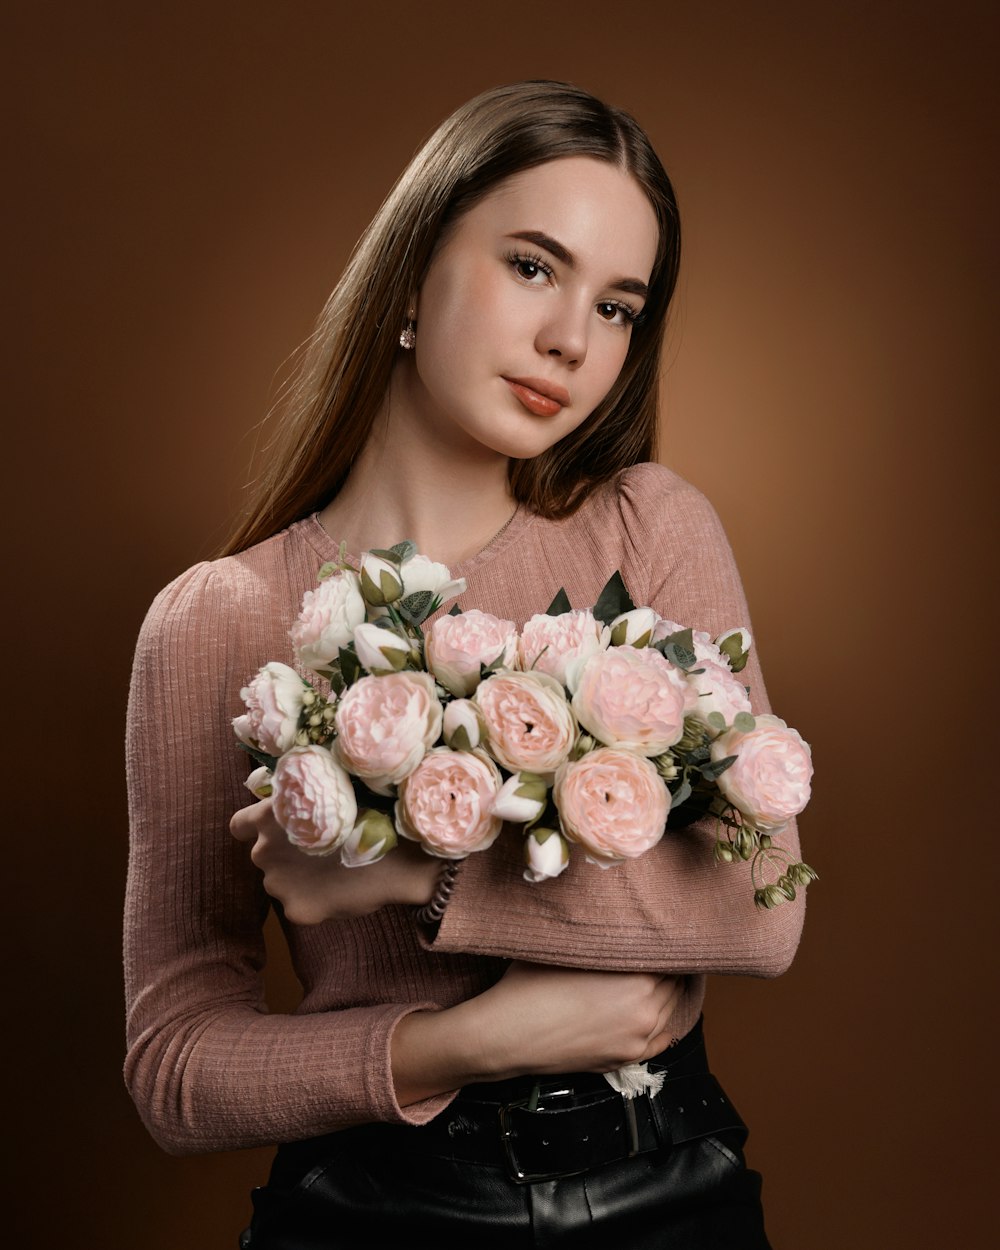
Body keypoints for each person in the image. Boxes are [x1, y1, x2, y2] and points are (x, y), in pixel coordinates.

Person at [124, 81, 806, 1248]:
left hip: (671, 1194)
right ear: (409, 272)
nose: (571, 341)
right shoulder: (223, 618)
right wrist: (472, 1040)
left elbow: (760, 907)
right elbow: (177, 1061)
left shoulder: (648, 528)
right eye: (534, 267)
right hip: (379, 1210)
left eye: (619, 305)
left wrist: (415, 878)